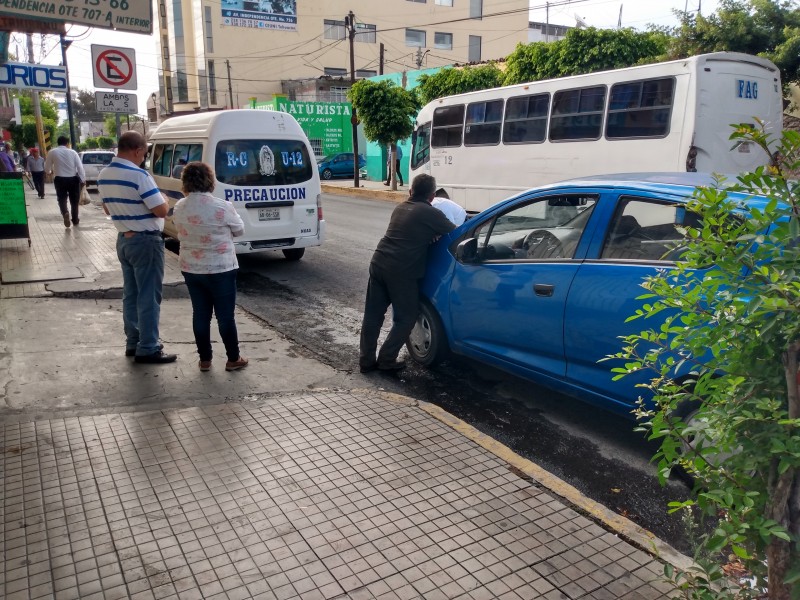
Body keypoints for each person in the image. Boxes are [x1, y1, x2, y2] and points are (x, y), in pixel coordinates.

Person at [359, 173, 455, 373]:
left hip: (378, 262)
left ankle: (366, 361)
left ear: (410, 191)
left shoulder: (400, 208)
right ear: (432, 196)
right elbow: (456, 233)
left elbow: (410, 232)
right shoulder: (431, 213)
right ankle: (386, 359)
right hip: (401, 271)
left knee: (372, 316)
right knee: (407, 317)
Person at [98, 131, 177, 364]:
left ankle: (133, 341)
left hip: (124, 239)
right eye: (144, 153)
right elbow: (161, 211)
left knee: (131, 294)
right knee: (149, 296)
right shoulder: (139, 175)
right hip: (145, 242)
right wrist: (162, 198)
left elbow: (106, 209)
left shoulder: (104, 174)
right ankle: (149, 347)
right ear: (138, 151)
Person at [172, 161, 248, 372]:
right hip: (220, 268)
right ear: (210, 181)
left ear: (185, 182)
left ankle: (205, 360)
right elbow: (240, 230)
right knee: (225, 316)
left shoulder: (179, 206)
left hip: (191, 268)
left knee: (200, 314)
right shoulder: (222, 206)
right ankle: (233, 358)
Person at [44, 136, 85, 227]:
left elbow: (47, 168)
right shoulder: (73, 152)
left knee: (62, 199)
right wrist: (83, 179)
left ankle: (65, 212)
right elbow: (80, 167)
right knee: (74, 201)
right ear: (67, 143)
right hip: (73, 179)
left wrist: (50, 172)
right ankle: (75, 219)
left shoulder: (52, 152)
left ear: (58, 143)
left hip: (59, 179)